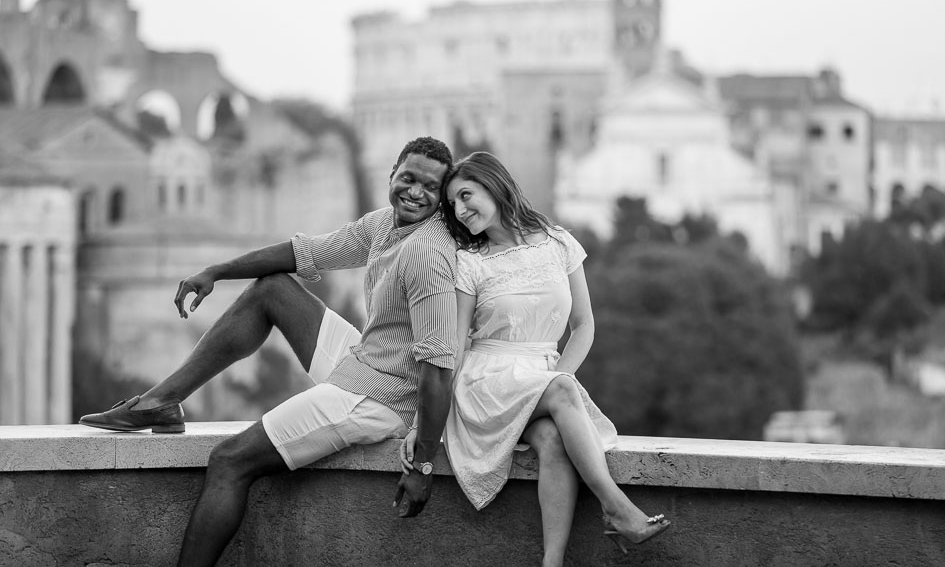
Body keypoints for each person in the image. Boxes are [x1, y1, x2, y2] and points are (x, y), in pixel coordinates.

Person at [79, 136, 459, 567]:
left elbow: (439, 368)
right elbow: (303, 252)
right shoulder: (384, 225)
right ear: (392, 174)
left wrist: (423, 466)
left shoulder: (429, 252)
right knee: (273, 289)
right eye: (408, 178)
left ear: (442, 199)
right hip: (365, 360)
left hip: (383, 397)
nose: (416, 192)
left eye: (430, 187)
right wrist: (216, 272)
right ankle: (160, 402)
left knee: (228, 461)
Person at [401, 151, 670, 566]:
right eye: (453, 203)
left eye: (466, 195)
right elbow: (453, 348)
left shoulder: (559, 242)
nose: (460, 209)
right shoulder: (470, 264)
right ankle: (616, 508)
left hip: (539, 376)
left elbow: (583, 326)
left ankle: (552, 562)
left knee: (552, 441)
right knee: (562, 391)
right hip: (485, 381)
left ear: (494, 185)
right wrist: (424, 426)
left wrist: (554, 381)